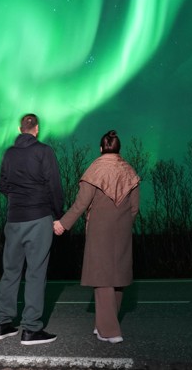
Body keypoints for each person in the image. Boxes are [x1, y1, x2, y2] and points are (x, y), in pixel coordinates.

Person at [53, 130, 140, 344]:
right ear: (118, 149)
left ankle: (110, 331)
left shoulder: (95, 170)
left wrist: (62, 224)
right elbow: (134, 208)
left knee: (102, 279)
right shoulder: (130, 171)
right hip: (122, 230)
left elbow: (81, 204)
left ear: (101, 149)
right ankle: (103, 323)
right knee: (116, 277)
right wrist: (123, 224)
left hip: (100, 231)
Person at [0, 113, 64, 345]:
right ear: (37, 129)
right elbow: (54, 185)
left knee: (11, 271)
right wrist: (58, 214)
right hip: (38, 218)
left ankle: (3, 324)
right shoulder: (44, 151)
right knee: (35, 273)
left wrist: (17, 198)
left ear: (19, 128)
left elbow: (2, 185)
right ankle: (31, 329)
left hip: (13, 219)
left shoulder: (9, 153)